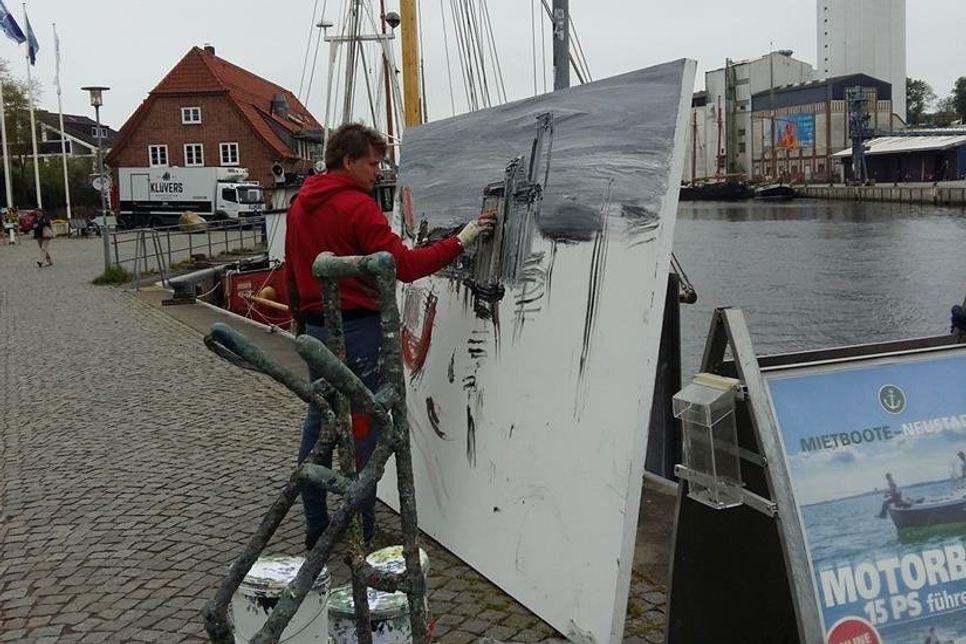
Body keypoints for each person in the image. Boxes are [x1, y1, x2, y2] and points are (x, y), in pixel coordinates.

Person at [285, 122, 494, 550]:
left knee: (321, 421)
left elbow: (292, 271)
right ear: (349, 161)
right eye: (373, 163)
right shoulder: (357, 208)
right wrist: (464, 238)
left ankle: (316, 524)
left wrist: (300, 323)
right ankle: (360, 529)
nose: (378, 171)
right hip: (359, 331)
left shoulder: (299, 204)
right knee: (364, 427)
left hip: (317, 329)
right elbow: (407, 266)